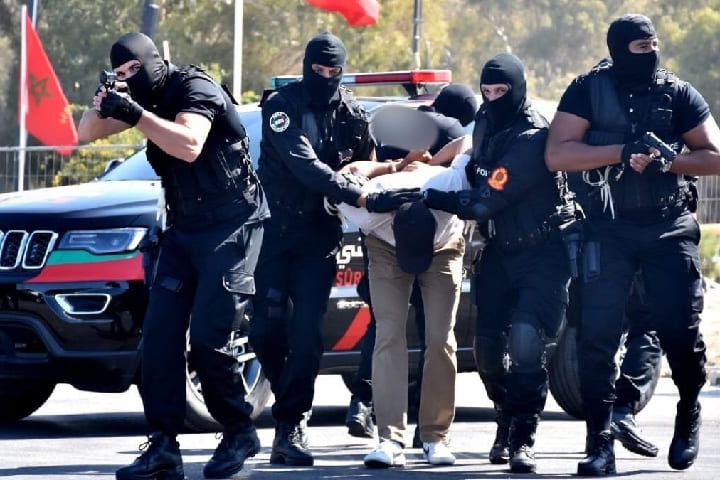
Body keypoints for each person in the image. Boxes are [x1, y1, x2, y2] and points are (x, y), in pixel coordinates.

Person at [77, 32, 270, 480]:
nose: (130, 79)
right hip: (184, 230)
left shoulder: (193, 88)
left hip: (232, 227)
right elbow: (86, 133)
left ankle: (239, 429)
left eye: (133, 70)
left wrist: (135, 112)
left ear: (156, 61)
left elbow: (188, 143)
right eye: (121, 74)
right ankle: (164, 444)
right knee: (160, 338)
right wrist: (104, 99)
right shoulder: (144, 100)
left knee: (207, 337)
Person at [545, 13, 720, 475]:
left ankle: (688, 410)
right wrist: (619, 151)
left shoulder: (678, 92)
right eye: (641, 47)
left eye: (655, 44)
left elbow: (715, 156)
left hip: (668, 227)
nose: (651, 53)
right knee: (597, 337)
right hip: (608, 226)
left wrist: (671, 160)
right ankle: (598, 443)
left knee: (680, 331)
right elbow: (557, 152)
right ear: (621, 48)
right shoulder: (588, 89)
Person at [247, 31, 420, 467]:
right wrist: (356, 194)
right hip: (274, 233)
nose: (325, 77)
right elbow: (303, 163)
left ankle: (290, 426)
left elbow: (365, 167)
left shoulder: (353, 116)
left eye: (333, 71)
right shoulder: (281, 106)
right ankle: (287, 404)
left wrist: (383, 188)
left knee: (306, 336)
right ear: (307, 67)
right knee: (266, 332)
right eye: (318, 70)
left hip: (318, 238)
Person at [422, 52, 575, 474]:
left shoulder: (532, 136)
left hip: (542, 255)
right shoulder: (486, 121)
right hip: (499, 252)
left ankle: (523, 436)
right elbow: (472, 166)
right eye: (486, 91)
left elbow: (490, 197)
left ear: (517, 89)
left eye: (500, 91)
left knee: (526, 344)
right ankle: (505, 416)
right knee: (487, 351)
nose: (492, 98)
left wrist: (433, 196)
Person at [345, 84, 478, 442]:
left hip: (409, 233)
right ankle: (416, 430)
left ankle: (365, 403)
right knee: (430, 336)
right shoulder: (452, 133)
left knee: (387, 329)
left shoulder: (391, 123)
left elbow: (353, 173)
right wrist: (421, 166)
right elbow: (467, 146)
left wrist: (396, 167)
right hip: (397, 235)